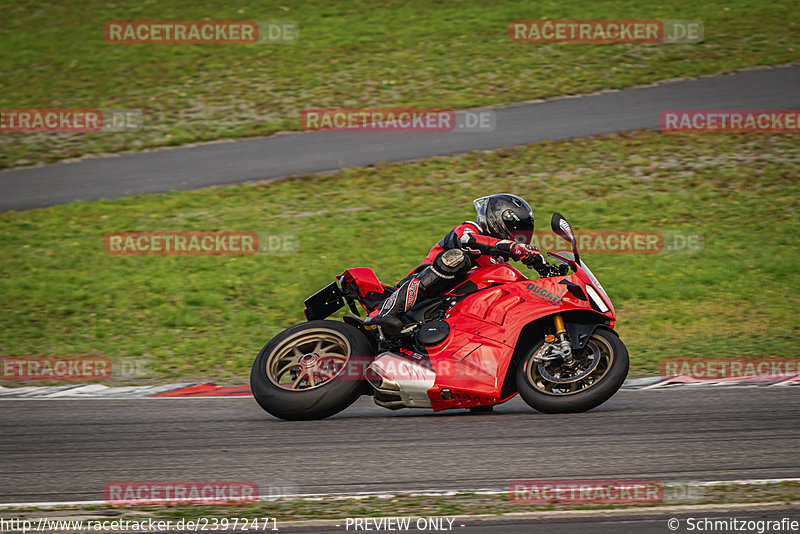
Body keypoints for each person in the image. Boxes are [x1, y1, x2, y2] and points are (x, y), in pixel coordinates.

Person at [364, 194, 568, 335]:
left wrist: (544, 267)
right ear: (500, 219)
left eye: (520, 236)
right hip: (426, 287)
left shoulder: (498, 261)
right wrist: (512, 247)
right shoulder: (470, 229)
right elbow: (468, 242)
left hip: (452, 307)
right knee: (458, 259)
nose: (517, 239)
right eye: (515, 232)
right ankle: (384, 313)